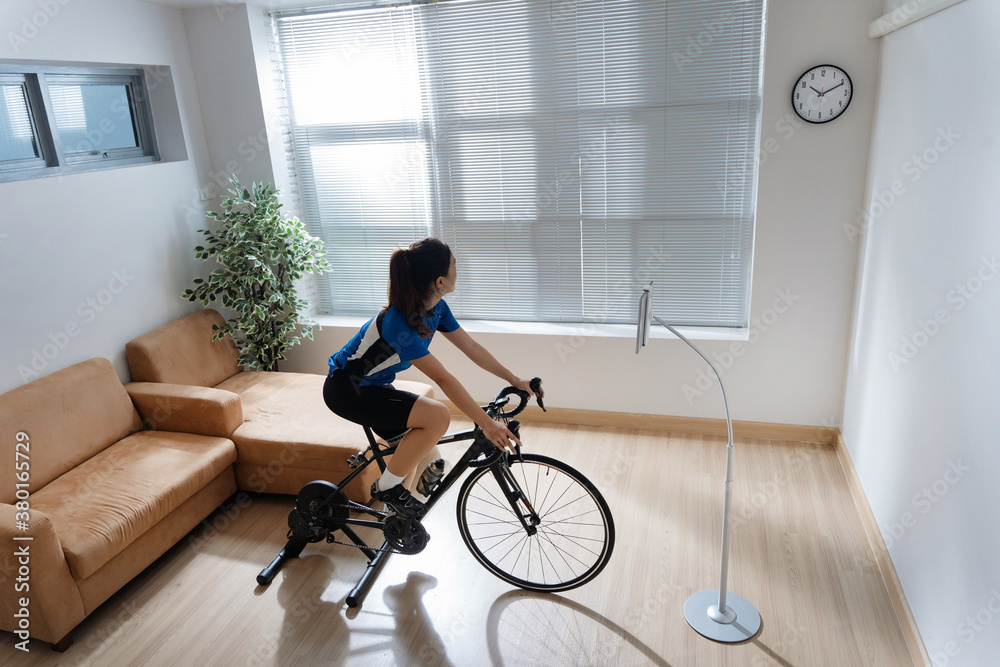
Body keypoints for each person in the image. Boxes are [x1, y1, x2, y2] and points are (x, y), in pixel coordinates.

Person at [323, 237, 541, 518]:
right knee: (437, 416)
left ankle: (394, 523)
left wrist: (515, 379)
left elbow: (471, 348)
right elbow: (444, 379)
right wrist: (487, 424)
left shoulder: (436, 308)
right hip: (347, 390)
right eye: (454, 265)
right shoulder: (398, 325)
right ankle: (386, 489)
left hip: (375, 386)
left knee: (412, 455)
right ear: (440, 281)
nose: (457, 270)